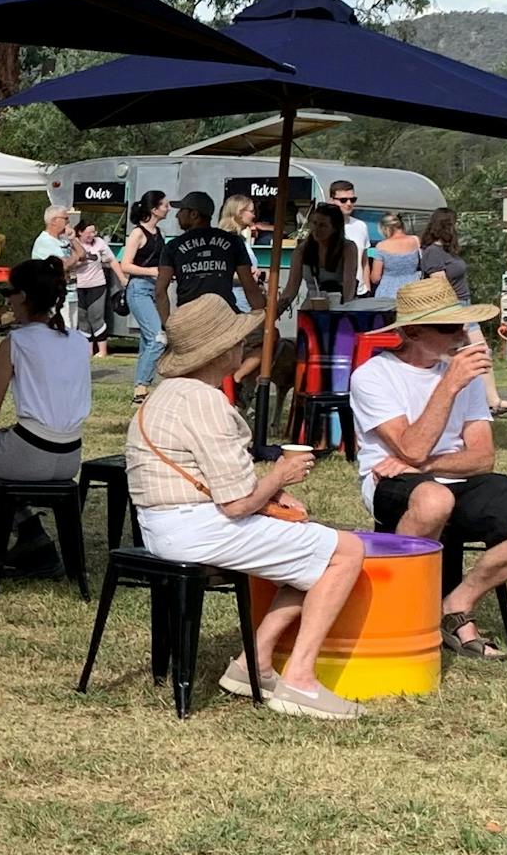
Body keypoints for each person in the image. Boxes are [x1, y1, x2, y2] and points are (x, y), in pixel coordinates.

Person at [127, 294, 367, 719]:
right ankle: (300, 680)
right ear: (224, 350)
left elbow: (217, 481)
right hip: (196, 532)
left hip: (162, 526)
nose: (245, 348)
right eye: (240, 341)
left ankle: (252, 662)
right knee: (345, 552)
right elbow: (237, 503)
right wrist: (280, 476)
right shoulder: (204, 401)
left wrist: (270, 496)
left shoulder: (168, 394)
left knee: (309, 550)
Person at [351, 274, 507, 661]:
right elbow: (410, 444)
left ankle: (454, 605)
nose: (460, 334)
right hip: (391, 484)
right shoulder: (373, 376)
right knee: (434, 500)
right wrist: (448, 387)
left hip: (449, 476)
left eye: (462, 323)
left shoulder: (464, 374)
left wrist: (422, 461)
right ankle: (404, 614)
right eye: (447, 327)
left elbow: (481, 457)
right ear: (411, 331)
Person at [0, 257, 90, 576]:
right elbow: (51, 408)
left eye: (10, 294)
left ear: (24, 297)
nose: (7, 302)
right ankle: (34, 540)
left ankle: (27, 534)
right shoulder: (78, 342)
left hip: (31, 453)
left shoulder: (14, 342)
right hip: (70, 455)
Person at [419, 207, 507, 416]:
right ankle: (447, 401)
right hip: (452, 309)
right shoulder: (432, 253)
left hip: (465, 306)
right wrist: (456, 317)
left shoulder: (448, 251)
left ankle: (493, 401)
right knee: (452, 356)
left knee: (481, 352)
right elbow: (441, 287)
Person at [158, 191, 265, 321]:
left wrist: (166, 324)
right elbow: (250, 286)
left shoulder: (173, 246)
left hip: (189, 319)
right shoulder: (233, 242)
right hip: (225, 318)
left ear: (194, 214)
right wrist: (260, 320)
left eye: (181, 210)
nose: (177, 215)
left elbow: (160, 291)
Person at [118, 190, 170, 403]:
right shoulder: (137, 234)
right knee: (158, 337)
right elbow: (125, 265)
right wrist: (152, 271)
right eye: (165, 204)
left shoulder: (160, 233)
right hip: (138, 289)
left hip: (155, 290)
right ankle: (141, 388)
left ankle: (140, 389)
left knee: (148, 340)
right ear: (154, 209)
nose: (168, 208)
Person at [280, 202, 358, 314]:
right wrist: (274, 314)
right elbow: (291, 289)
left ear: (335, 228)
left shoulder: (348, 248)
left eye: (323, 225)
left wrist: (344, 312)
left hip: (338, 307)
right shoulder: (302, 250)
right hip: (311, 309)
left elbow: (349, 285)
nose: (316, 229)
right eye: (314, 223)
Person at [69, 219, 118, 355]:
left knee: (96, 317)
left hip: (97, 285)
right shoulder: (73, 244)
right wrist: (78, 263)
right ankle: (88, 350)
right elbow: (69, 263)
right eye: (89, 232)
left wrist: (122, 278)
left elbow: (112, 260)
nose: (92, 235)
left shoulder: (99, 243)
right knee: (82, 319)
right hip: (79, 286)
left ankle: (102, 351)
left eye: (94, 232)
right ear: (80, 232)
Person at [329, 180, 371, 297]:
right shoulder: (324, 227)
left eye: (352, 200)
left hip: (359, 292)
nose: (348, 203)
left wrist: (367, 287)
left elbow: (364, 260)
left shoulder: (361, 226)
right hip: (333, 293)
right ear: (332, 201)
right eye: (343, 200)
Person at [367, 212, 422, 301]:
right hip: (413, 290)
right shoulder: (415, 240)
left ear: (386, 229)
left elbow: (375, 278)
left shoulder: (381, 246)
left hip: (388, 292)